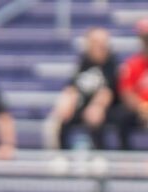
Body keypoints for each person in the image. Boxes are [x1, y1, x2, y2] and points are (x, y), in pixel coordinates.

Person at [44, 27, 120, 151]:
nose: (100, 47)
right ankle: (60, 154)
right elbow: (73, 85)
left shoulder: (111, 62)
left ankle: (100, 155)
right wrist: (65, 102)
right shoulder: (84, 60)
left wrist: (97, 105)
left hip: (106, 108)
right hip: (82, 105)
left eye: (102, 43)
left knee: (96, 118)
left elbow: (108, 90)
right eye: (95, 43)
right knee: (61, 119)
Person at [112, 18, 148, 150]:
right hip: (137, 111)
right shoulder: (132, 64)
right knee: (121, 116)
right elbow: (126, 92)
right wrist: (142, 108)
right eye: (145, 39)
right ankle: (124, 151)